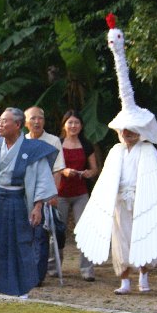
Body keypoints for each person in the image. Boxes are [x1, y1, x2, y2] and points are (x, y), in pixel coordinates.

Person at [75, 15, 157, 295]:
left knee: (143, 235)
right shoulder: (116, 151)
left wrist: (150, 197)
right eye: (124, 131)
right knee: (121, 238)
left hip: (142, 199)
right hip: (120, 200)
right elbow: (107, 178)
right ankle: (125, 278)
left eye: (131, 131)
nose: (127, 134)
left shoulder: (147, 151)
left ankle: (144, 275)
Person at [0, 107, 58, 298]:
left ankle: (21, 287)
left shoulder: (31, 149)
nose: (0, 124)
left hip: (18, 201)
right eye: (0, 120)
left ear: (17, 125)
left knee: (20, 243)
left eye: (5, 121)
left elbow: (42, 179)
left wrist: (38, 207)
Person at [24, 106, 65, 284]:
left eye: (40, 118)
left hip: (44, 194)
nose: (37, 121)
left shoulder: (53, 141)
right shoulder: (21, 141)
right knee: (26, 235)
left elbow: (57, 170)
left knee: (41, 235)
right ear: (25, 123)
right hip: (23, 195)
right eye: (33, 118)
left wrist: (53, 194)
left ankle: (37, 276)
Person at [57, 110, 98, 281]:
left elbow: (95, 169)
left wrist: (89, 173)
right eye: (70, 122)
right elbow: (50, 166)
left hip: (81, 193)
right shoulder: (57, 143)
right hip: (60, 193)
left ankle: (87, 269)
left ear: (81, 126)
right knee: (58, 231)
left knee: (85, 231)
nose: (73, 126)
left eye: (77, 123)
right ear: (64, 124)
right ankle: (54, 266)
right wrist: (64, 170)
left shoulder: (87, 144)